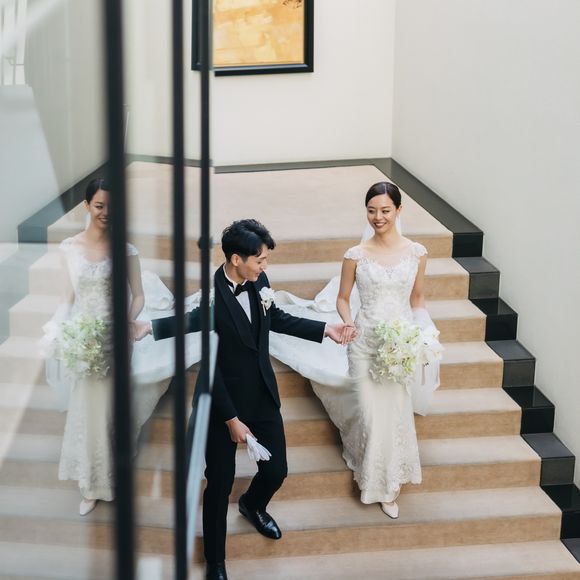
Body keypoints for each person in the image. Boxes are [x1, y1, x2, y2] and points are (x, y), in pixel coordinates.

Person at [135, 219, 352, 580]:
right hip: (221, 402)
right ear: (236, 259)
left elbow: (275, 317)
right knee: (219, 485)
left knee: (277, 470)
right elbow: (205, 351)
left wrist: (325, 329)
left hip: (261, 393)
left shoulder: (259, 282)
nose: (265, 266)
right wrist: (231, 420)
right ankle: (215, 561)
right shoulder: (213, 298)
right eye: (260, 260)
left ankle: (252, 504)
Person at [267, 181, 442, 519]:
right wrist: (348, 322)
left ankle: (387, 485)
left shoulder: (417, 254)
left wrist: (424, 333)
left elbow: (417, 300)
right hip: (364, 345)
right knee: (370, 413)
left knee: (394, 415)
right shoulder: (355, 256)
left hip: (399, 347)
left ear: (399, 210)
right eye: (372, 211)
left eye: (385, 210)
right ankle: (370, 471)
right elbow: (343, 299)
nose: (378, 217)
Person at [41, 178, 183, 516]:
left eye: (112, 206)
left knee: (109, 410)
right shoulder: (68, 249)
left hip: (114, 339)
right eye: (99, 205)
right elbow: (67, 296)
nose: (106, 212)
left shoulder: (126, 250)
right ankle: (90, 484)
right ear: (87, 206)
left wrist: (126, 320)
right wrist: (57, 328)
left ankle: (112, 477)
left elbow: (138, 296)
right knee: (87, 410)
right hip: (83, 340)